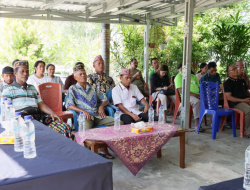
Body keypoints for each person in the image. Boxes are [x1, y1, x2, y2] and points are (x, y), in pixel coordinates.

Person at [1, 60, 71, 136]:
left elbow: (41, 104)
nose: (25, 74)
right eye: (22, 71)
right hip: (23, 121)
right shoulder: (8, 90)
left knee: (64, 127)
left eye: (27, 71)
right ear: (15, 73)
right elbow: (6, 111)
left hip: (38, 118)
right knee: (39, 133)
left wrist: (52, 113)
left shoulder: (32, 88)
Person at [66, 64, 116, 159]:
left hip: (97, 115)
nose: (83, 76)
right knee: (86, 131)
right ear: (75, 77)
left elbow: (105, 99)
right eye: (80, 74)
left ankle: (103, 147)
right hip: (85, 117)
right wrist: (82, 111)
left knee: (118, 122)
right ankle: (89, 154)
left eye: (84, 73)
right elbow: (69, 105)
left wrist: (101, 106)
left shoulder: (92, 88)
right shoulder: (73, 89)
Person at [174, 64, 205, 132]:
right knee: (197, 102)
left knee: (211, 101)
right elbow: (181, 90)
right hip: (186, 96)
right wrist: (195, 95)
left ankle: (213, 123)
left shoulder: (193, 76)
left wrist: (202, 94)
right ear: (182, 67)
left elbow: (198, 87)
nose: (188, 68)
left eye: (190, 66)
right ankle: (197, 125)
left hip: (197, 95)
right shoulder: (179, 76)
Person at [223, 65, 250, 138]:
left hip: (246, 100)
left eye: (236, 68)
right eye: (233, 69)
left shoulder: (242, 81)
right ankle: (248, 131)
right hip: (237, 103)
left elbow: (247, 92)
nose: (236, 70)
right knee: (248, 110)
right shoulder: (227, 82)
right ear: (229, 73)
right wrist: (243, 100)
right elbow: (229, 97)